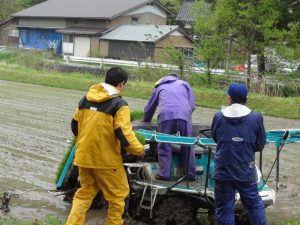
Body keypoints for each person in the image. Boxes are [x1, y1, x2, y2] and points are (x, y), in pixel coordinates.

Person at [65, 67, 145, 225]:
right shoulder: (119, 104)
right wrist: (139, 150)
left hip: (83, 157)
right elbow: (123, 133)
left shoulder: (85, 99)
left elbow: (75, 125)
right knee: (118, 196)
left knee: (84, 194)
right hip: (106, 161)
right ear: (121, 84)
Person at [211, 83, 267, 225]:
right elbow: (260, 144)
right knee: (254, 205)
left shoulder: (218, 116)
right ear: (246, 98)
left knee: (224, 208)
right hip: (245, 169)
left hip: (223, 170)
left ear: (229, 98)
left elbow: (215, 137)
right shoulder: (256, 118)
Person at [143, 73, 196, 181]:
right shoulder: (184, 84)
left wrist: (146, 120)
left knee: (164, 144)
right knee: (188, 144)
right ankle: (190, 174)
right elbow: (192, 105)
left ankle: (164, 174)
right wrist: (185, 115)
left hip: (166, 116)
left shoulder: (160, 87)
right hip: (184, 116)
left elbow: (150, 108)